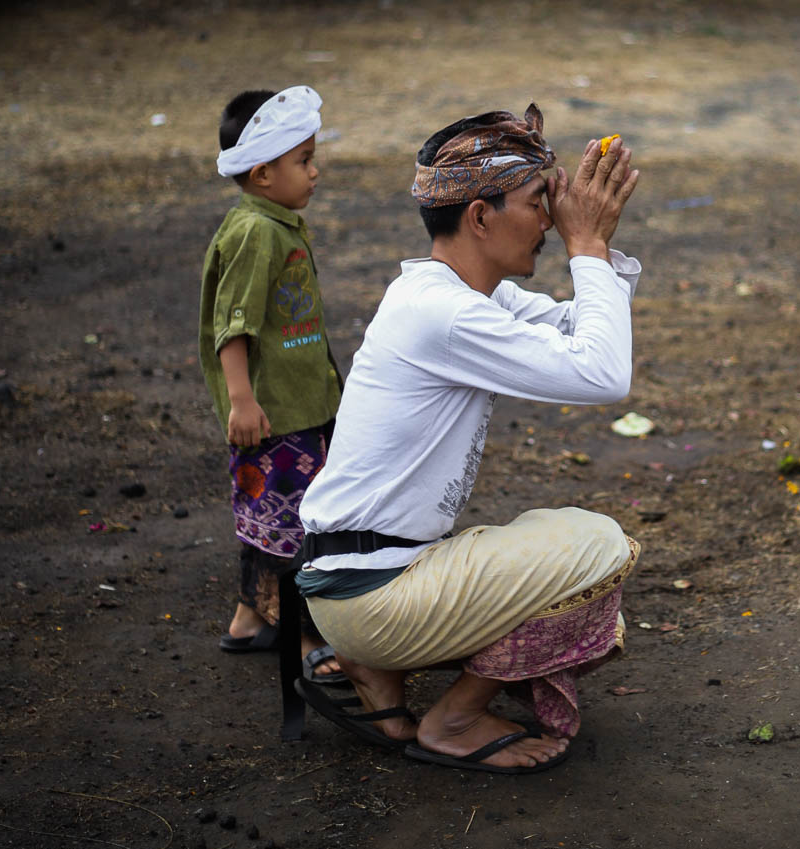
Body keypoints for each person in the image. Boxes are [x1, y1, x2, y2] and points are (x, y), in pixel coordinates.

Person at [287, 104, 642, 774]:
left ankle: (376, 667)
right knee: (597, 549)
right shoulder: (445, 314)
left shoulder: (460, 297)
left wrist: (597, 248)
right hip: (372, 594)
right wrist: (588, 249)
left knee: (574, 566)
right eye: (537, 203)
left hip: (359, 579)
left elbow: (584, 333)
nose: (549, 221)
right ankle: (452, 720)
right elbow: (602, 373)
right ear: (480, 217)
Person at [198, 86, 345, 687]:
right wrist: (241, 399)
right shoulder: (256, 232)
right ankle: (302, 634)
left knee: (269, 519)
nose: (315, 171)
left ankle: (247, 620)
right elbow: (233, 324)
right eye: (303, 160)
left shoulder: (276, 223)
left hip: (297, 406)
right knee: (292, 530)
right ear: (262, 173)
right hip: (275, 417)